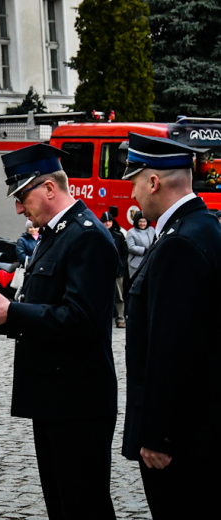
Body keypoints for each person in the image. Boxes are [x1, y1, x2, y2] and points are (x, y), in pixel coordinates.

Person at [0, 143, 118, 519]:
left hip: (78, 401)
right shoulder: (53, 234)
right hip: (53, 397)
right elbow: (42, 306)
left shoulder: (87, 236)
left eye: (21, 196)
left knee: (84, 506)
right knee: (62, 507)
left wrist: (11, 312)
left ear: (49, 188)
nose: (17, 208)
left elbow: (79, 320)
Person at [120, 134, 221, 518]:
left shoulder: (180, 242)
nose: (132, 194)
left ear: (153, 182)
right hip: (200, 426)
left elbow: (173, 348)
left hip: (184, 436)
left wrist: (158, 434)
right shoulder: (203, 227)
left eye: (134, 181)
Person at [100, 212, 127, 328]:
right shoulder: (98, 234)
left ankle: (120, 318)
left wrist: (121, 264)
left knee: (119, 296)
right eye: (105, 222)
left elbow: (125, 252)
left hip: (117, 270)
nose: (107, 223)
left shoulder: (119, 235)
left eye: (109, 221)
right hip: (102, 270)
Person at [125, 211, 155, 278]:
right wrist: (144, 250)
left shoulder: (152, 230)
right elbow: (131, 247)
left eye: (144, 221)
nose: (142, 224)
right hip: (136, 264)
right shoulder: (131, 232)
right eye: (140, 221)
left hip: (149, 262)